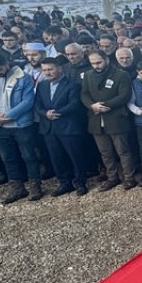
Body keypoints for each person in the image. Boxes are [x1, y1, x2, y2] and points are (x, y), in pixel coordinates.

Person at [0, 51, 42, 203]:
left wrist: (8, 116)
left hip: (21, 123)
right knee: (8, 157)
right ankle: (17, 187)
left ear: (7, 63)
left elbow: (28, 101)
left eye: (1, 69)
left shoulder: (23, 77)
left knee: (29, 155)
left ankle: (35, 185)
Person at [81, 51, 137, 191]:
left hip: (116, 117)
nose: (96, 66)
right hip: (96, 117)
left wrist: (107, 105)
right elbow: (84, 94)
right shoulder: (88, 75)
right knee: (105, 152)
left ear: (106, 59)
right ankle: (112, 177)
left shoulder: (120, 74)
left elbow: (124, 95)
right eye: (93, 63)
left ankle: (129, 177)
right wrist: (91, 105)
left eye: (99, 62)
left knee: (123, 150)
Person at [34, 57, 89, 196]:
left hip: (68, 126)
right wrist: (45, 113)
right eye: (44, 70)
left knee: (76, 156)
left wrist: (57, 113)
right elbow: (37, 104)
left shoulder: (72, 84)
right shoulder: (42, 85)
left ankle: (80, 182)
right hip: (49, 127)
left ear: (59, 69)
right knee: (56, 157)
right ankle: (65, 183)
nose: (47, 72)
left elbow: (75, 104)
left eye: (50, 69)